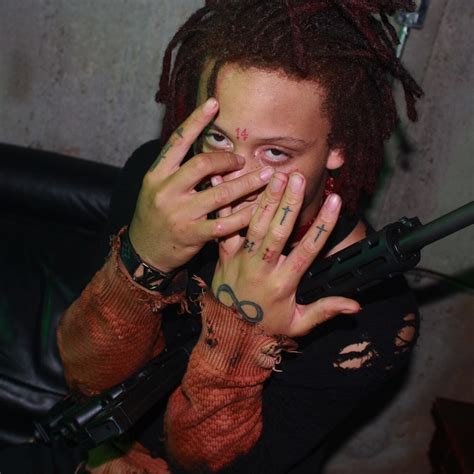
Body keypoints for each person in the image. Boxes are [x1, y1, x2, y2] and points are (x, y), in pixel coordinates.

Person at [57, 1, 423, 472]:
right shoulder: (163, 189)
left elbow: (204, 464)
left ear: (338, 147)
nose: (237, 179)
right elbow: (86, 381)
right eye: (218, 138)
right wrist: (141, 260)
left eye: (275, 153)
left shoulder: (371, 311)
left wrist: (240, 333)